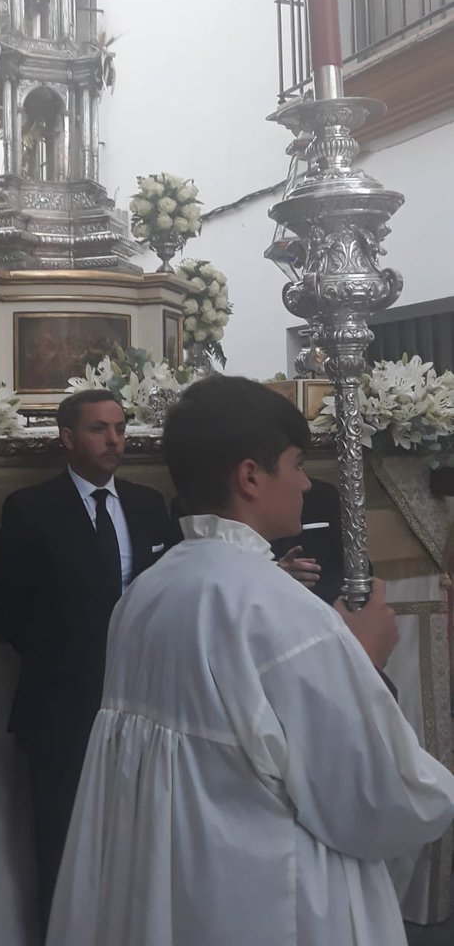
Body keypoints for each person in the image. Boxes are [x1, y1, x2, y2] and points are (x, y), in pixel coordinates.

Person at [47, 375, 454, 946]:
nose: (307, 482)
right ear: (250, 477)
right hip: (272, 902)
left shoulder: (147, 592)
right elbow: (375, 801)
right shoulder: (283, 611)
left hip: (172, 894)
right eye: (296, 464)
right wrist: (363, 661)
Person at [0, 388, 177, 929]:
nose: (115, 439)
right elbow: (3, 607)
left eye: (120, 428)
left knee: (137, 836)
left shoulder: (146, 504)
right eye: (100, 429)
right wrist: (75, 655)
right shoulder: (30, 508)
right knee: (63, 839)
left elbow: (167, 590)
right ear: (68, 438)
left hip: (142, 702)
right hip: (60, 708)